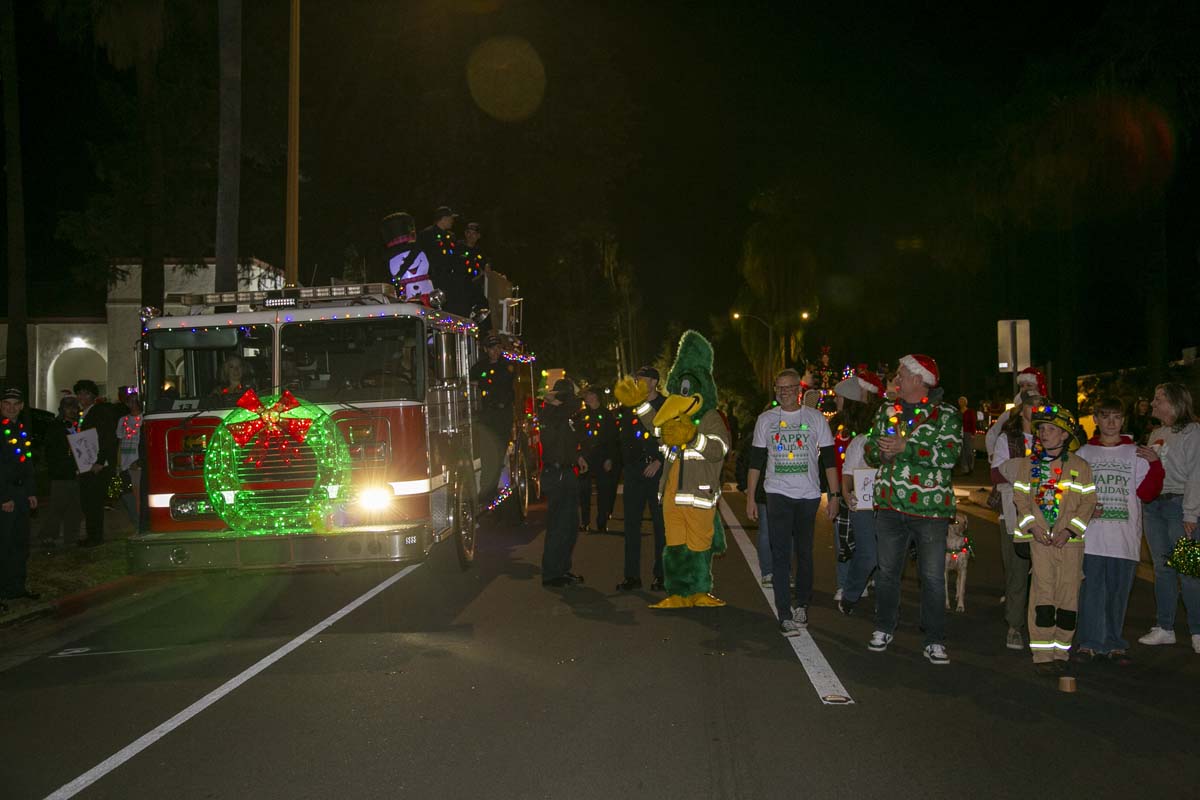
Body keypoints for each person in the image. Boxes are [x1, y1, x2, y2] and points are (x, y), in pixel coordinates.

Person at [863, 354, 961, 665]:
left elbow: (950, 455)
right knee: (888, 572)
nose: (896, 380)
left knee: (932, 577)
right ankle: (884, 627)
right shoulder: (886, 411)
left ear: (919, 380)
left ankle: (934, 639)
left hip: (930, 512)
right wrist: (880, 452)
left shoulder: (945, 415)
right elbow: (869, 450)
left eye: (901, 375)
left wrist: (908, 448)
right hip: (890, 506)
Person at [1001, 402, 1097, 676]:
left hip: (1070, 544)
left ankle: (1061, 651)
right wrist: (1033, 528)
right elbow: (1020, 499)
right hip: (1040, 542)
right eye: (1041, 428)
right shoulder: (1028, 465)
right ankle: (1042, 654)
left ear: (1065, 435)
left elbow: (1088, 503)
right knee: (1042, 595)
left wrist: (1070, 531)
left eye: (1051, 429)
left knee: (1068, 596)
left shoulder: (1080, 466)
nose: (1044, 433)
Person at [746, 368, 840, 637]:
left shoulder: (815, 419)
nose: (784, 392)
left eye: (789, 388)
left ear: (798, 391)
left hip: (809, 496)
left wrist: (834, 496)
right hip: (777, 494)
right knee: (780, 554)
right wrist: (751, 497)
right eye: (779, 388)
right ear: (775, 391)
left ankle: (802, 605)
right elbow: (756, 462)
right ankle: (785, 613)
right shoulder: (765, 420)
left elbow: (830, 460)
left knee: (805, 553)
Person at [1075, 396, 1164, 663]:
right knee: (1091, 592)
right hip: (1092, 538)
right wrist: (1087, 509)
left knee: (1117, 593)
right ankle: (1089, 642)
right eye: (1105, 416)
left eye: (1116, 417)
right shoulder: (1083, 454)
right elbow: (1073, 494)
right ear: (1096, 419)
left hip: (1123, 538)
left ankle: (1114, 642)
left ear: (1123, 420)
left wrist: (1156, 465)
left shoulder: (1135, 453)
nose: (1111, 422)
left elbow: (1148, 493)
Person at [1138, 382, 1200, 652]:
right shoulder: (1156, 434)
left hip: (1179, 508)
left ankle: (1197, 630)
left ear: (1175, 403)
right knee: (1162, 568)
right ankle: (1165, 627)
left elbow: (1197, 474)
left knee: (1189, 571)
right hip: (1155, 508)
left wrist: (1191, 513)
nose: (1153, 404)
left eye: (1158, 399)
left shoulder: (1193, 432)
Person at [990, 391, 1043, 651]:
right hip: (1013, 514)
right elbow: (997, 475)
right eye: (1032, 406)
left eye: (1042, 405)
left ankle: (1043, 628)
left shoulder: (1055, 436)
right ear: (1022, 410)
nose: (1037, 410)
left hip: (1048, 515)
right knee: (1017, 572)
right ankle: (1014, 626)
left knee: (1046, 575)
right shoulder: (1008, 439)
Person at [831, 371, 885, 614]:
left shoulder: (877, 431)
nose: (835, 401)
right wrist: (843, 492)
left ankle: (883, 605)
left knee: (886, 557)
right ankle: (849, 590)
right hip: (861, 503)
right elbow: (847, 471)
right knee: (867, 553)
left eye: (840, 397)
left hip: (887, 503)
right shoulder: (853, 434)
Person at [616, 367, 667, 591]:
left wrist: (659, 461)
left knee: (660, 526)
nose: (638, 382)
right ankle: (631, 576)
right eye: (636, 379)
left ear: (654, 381)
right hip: (634, 471)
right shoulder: (629, 406)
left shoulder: (666, 405)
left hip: (657, 470)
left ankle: (662, 575)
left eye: (642, 379)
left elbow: (674, 437)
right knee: (631, 525)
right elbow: (624, 438)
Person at [539, 379, 587, 588]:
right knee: (559, 526)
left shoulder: (562, 416)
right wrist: (555, 399)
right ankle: (552, 573)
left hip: (566, 471)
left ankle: (562, 569)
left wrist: (577, 457)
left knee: (569, 526)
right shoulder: (550, 414)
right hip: (556, 473)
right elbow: (574, 405)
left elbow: (565, 442)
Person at [1, 388, 39, 608]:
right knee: (4, 543)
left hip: (21, 493)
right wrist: (4, 497)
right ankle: (4, 589)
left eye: (16, 404)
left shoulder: (20, 429)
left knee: (20, 543)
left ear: (22, 406)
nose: (11, 408)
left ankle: (17, 587)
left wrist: (31, 491)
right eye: (7, 403)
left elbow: (27, 464)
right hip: (6, 495)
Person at [470, 332, 514, 509]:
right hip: (486, 416)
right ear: (485, 349)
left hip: (502, 416)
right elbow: (471, 382)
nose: (495, 351)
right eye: (491, 348)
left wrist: (482, 384)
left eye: (497, 347)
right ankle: (487, 494)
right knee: (488, 456)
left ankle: (489, 493)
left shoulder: (507, 366)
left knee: (497, 454)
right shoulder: (479, 367)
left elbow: (499, 384)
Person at [75, 379, 118, 547]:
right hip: (87, 464)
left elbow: (107, 437)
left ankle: (95, 537)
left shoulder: (98, 412)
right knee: (88, 501)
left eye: (85, 394)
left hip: (97, 465)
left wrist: (100, 461)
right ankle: (92, 535)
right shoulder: (84, 414)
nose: (81, 397)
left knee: (93, 502)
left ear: (93, 396)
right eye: (79, 393)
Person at [38, 394, 83, 550]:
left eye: (74, 407)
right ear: (62, 409)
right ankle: (48, 536)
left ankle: (71, 537)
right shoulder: (56, 427)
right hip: (61, 474)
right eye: (68, 407)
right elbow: (52, 452)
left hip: (76, 473)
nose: (72, 411)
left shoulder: (79, 426)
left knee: (74, 508)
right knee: (57, 507)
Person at [577, 387, 619, 534]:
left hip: (602, 455)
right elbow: (578, 437)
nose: (586, 398)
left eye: (588, 394)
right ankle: (585, 522)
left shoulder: (607, 415)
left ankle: (602, 522)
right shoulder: (581, 415)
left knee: (603, 491)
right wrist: (580, 456)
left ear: (595, 396)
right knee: (584, 491)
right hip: (586, 456)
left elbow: (612, 439)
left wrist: (609, 459)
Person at [986, 367, 1048, 460]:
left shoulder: (1047, 411)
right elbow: (993, 432)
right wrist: (993, 455)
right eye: (1022, 386)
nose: (1025, 389)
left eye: (1029, 385)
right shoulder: (1011, 413)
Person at [116, 390, 144, 528]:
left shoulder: (144, 419)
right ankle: (135, 520)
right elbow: (120, 443)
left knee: (137, 494)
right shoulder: (123, 420)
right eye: (130, 401)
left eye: (135, 401)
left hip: (137, 463)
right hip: (125, 463)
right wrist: (118, 462)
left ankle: (139, 523)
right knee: (127, 495)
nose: (132, 404)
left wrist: (139, 461)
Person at [957, 396, 977, 475]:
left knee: (969, 450)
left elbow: (973, 422)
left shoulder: (970, 412)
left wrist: (973, 433)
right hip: (960, 433)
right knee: (962, 451)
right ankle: (964, 469)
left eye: (962, 401)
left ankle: (971, 467)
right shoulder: (958, 412)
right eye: (960, 401)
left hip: (967, 432)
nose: (961, 403)